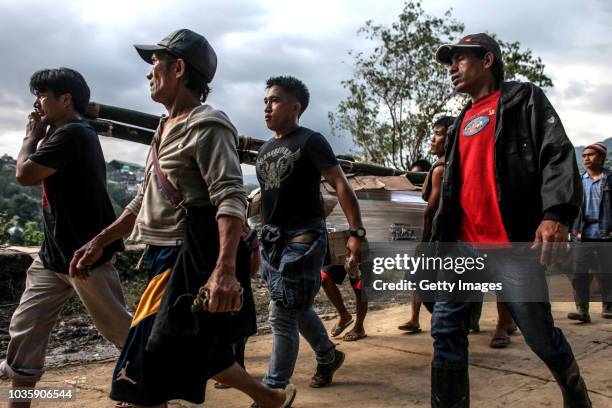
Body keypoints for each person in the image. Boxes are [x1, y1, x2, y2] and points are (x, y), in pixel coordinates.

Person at [70, 29, 295, 408]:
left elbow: (230, 197)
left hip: (187, 259)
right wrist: (100, 241)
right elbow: (142, 200)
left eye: (155, 62)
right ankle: (268, 398)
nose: (148, 73)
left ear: (178, 68)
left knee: (142, 364)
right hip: (160, 256)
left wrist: (223, 271)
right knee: (193, 346)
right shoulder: (162, 129)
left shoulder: (207, 125)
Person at [431, 33, 590, 407]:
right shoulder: (458, 123)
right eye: (449, 62)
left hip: (512, 244)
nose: (452, 68)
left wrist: (556, 213)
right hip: (462, 246)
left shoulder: (523, 100)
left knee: (537, 333)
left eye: (459, 59)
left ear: (487, 60)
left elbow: (557, 154)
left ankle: (573, 388)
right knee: (445, 329)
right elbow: (452, 194)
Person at [0, 68, 131, 408]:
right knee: (25, 328)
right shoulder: (68, 132)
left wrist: (31, 135)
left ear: (66, 99)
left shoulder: (73, 133)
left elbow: (25, 174)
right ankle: (19, 402)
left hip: (85, 256)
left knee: (121, 331)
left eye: (44, 96)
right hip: (53, 255)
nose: (38, 105)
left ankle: (149, 389)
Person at [256, 75, 365, 393]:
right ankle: (328, 355)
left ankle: (273, 391)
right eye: (265, 101)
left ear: (295, 106)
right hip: (272, 240)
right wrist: (259, 237)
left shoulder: (310, 140)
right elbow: (267, 198)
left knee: (281, 315)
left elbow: (340, 184)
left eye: (274, 100)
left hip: (303, 238)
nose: (267, 107)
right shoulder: (265, 149)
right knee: (294, 305)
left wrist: (356, 232)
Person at [399, 116, 454, 334]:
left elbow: (431, 211)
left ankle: (447, 320)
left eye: (438, 134)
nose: (432, 139)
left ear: (450, 137)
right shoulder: (453, 164)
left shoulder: (441, 169)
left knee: (417, 276)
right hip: (452, 237)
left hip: (439, 237)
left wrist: (424, 243)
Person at [568, 142, 612, 322]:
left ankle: (608, 308)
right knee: (579, 273)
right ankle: (582, 310)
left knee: (607, 272)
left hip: (606, 233)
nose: (586, 158)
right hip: (582, 234)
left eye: (591, 155)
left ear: (601, 158)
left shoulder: (610, 179)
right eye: (584, 155)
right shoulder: (579, 180)